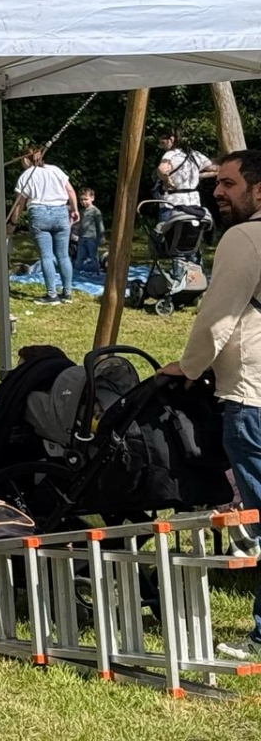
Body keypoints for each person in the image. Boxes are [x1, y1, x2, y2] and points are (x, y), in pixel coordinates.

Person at [161, 150, 261, 654]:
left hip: (253, 397)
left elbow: (217, 317)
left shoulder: (244, 237)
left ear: (259, 191)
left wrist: (188, 366)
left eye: (228, 184)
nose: (217, 192)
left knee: (260, 512)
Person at [9, 146, 77, 305]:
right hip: (61, 212)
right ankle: (67, 293)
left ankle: (51, 295)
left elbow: (19, 204)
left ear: (25, 159)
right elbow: (71, 191)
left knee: (46, 256)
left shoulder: (26, 176)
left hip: (39, 214)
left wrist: (13, 223)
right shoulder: (55, 170)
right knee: (63, 255)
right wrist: (74, 210)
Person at [155, 131, 213, 223]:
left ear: (171, 139)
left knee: (164, 233)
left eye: (163, 143)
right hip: (194, 205)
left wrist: (166, 179)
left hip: (172, 204)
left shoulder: (170, 154)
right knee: (192, 233)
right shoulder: (195, 155)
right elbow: (215, 169)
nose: (162, 147)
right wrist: (198, 176)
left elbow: (162, 170)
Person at [73, 186, 106, 275]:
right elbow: (78, 223)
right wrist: (75, 233)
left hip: (92, 237)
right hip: (81, 238)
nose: (83, 202)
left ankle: (96, 270)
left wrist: (102, 237)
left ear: (92, 198)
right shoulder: (81, 211)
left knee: (93, 255)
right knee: (80, 255)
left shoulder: (95, 211)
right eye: (81, 200)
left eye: (86, 199)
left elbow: (100, 224)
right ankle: (78, 270)